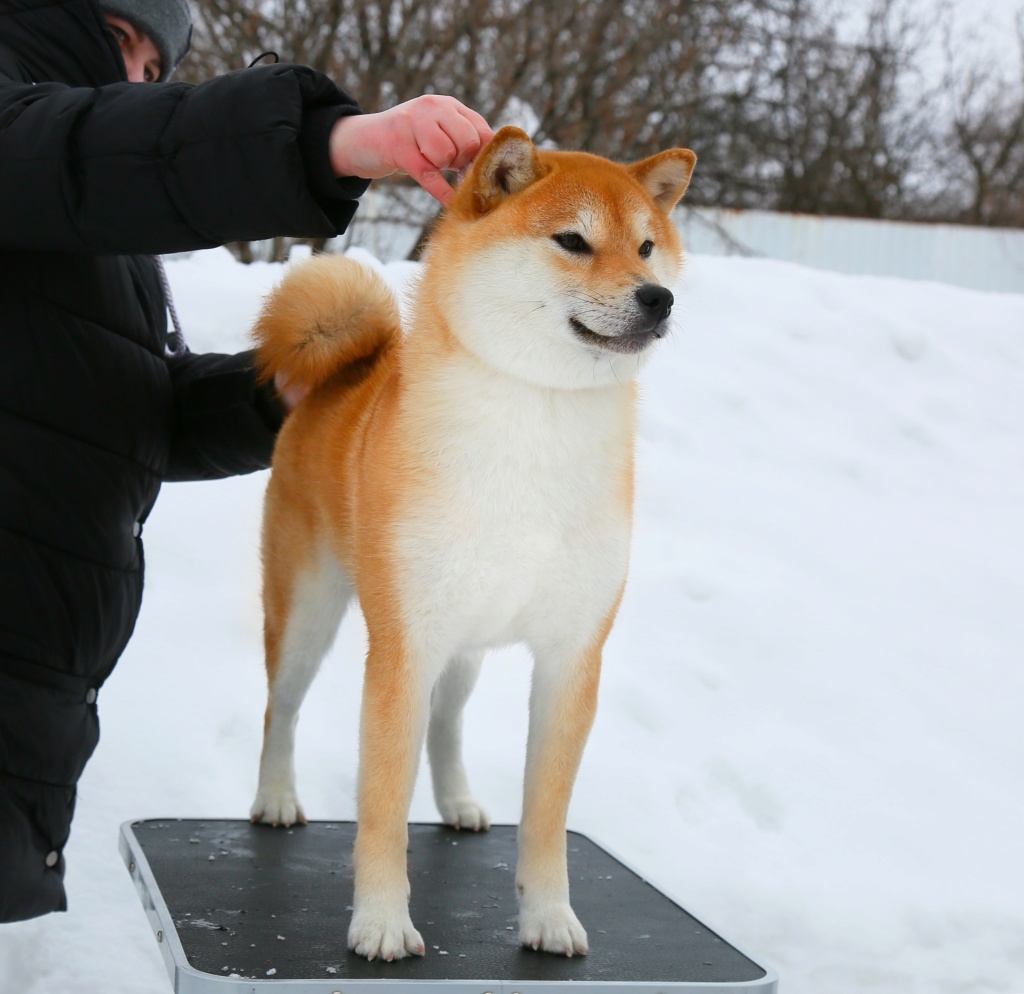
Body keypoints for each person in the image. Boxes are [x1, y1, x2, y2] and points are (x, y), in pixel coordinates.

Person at [0, 0, 492, 923]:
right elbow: (83, 149)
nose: (136, 80)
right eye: (118, 43)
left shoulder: (89, 238)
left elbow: (128, 416)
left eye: (156, 69)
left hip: (32, 709)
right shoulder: (41, 150)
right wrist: (330, 141)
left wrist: (287, 400)